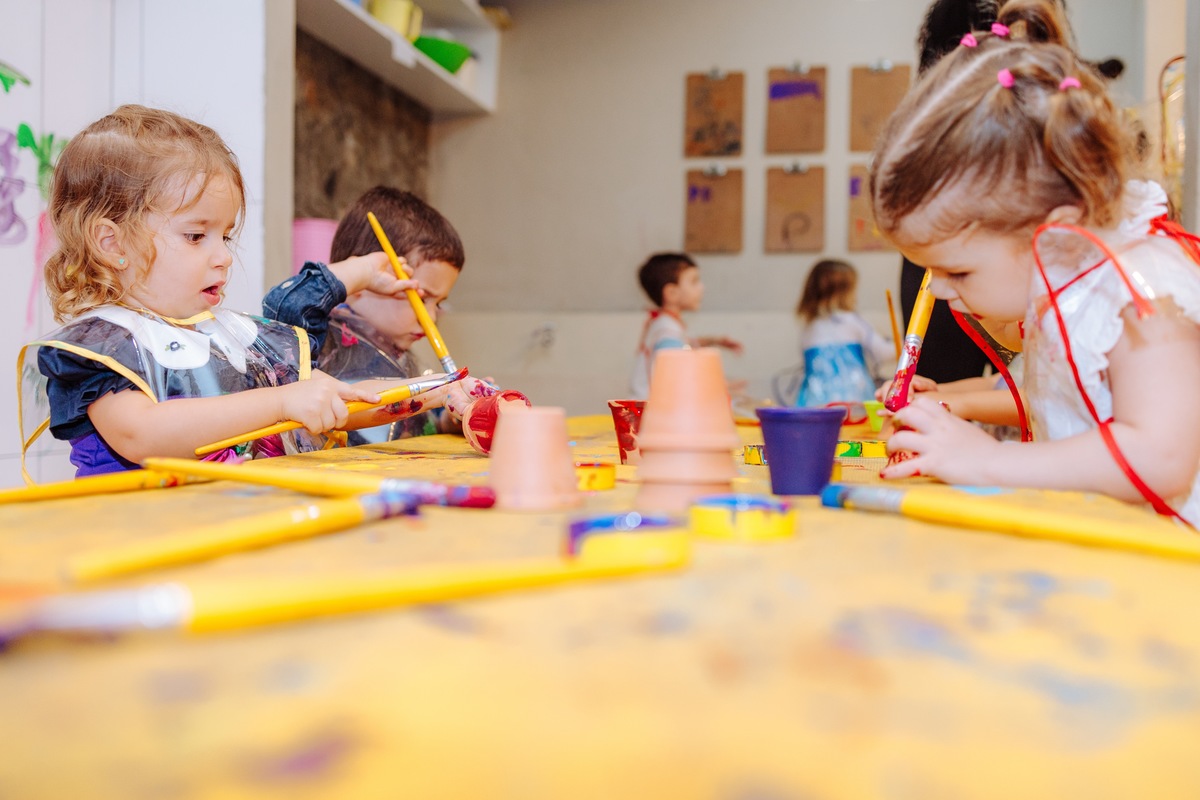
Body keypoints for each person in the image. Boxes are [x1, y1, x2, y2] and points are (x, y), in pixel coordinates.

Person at [869, 0, 1200, 525]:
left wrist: (989, 460)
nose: (937, 292)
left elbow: (1162, 459)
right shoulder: (1069, 286)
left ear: (1054, 231)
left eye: (958, 272)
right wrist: (952, 415)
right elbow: (1071, 403)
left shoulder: (1142, 289)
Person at [18, 105, 442, 477]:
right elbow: (141, 434)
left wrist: (435, 391)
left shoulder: (234, 339)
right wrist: (280, 402)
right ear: (112, 243)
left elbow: (338, 398)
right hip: (132, 545)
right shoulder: (101, 346)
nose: (223, 257)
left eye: (225, 236)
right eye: (196, 235)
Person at [263, 186, 495, 445]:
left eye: (438, 303)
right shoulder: (316, 338)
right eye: (420, 298)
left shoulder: (395, 350)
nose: (429, 317)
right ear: (365, 286)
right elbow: (285, 305)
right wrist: (357, 273)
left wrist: (449, 417)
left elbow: (416, 421)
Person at [629, 252, 742, 400]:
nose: (702, 287)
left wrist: (716, 341)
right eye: (694, 281)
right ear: (671, 293)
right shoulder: (667, 330)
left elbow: (684, 343)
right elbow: (677, 376)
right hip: (650, 413)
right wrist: (718, 386)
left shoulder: (665, 323)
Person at [792, 259, 893, 407]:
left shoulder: (810, 326)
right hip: (853, 398)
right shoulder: (851, 320)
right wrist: (905, 344)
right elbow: (883, 353)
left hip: (813, 401)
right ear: (846, 291)